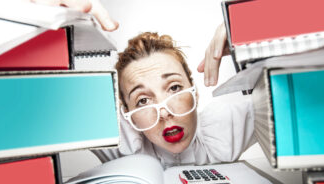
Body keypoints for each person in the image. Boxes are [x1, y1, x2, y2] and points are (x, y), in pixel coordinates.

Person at [92, 32, 256, 168]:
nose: (164, 112)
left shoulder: (224, 127)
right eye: (142, 100)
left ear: (195, 92)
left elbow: (280, 97)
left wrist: (241, 27)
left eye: (174, 88)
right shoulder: (123, 143)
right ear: (128, 115)